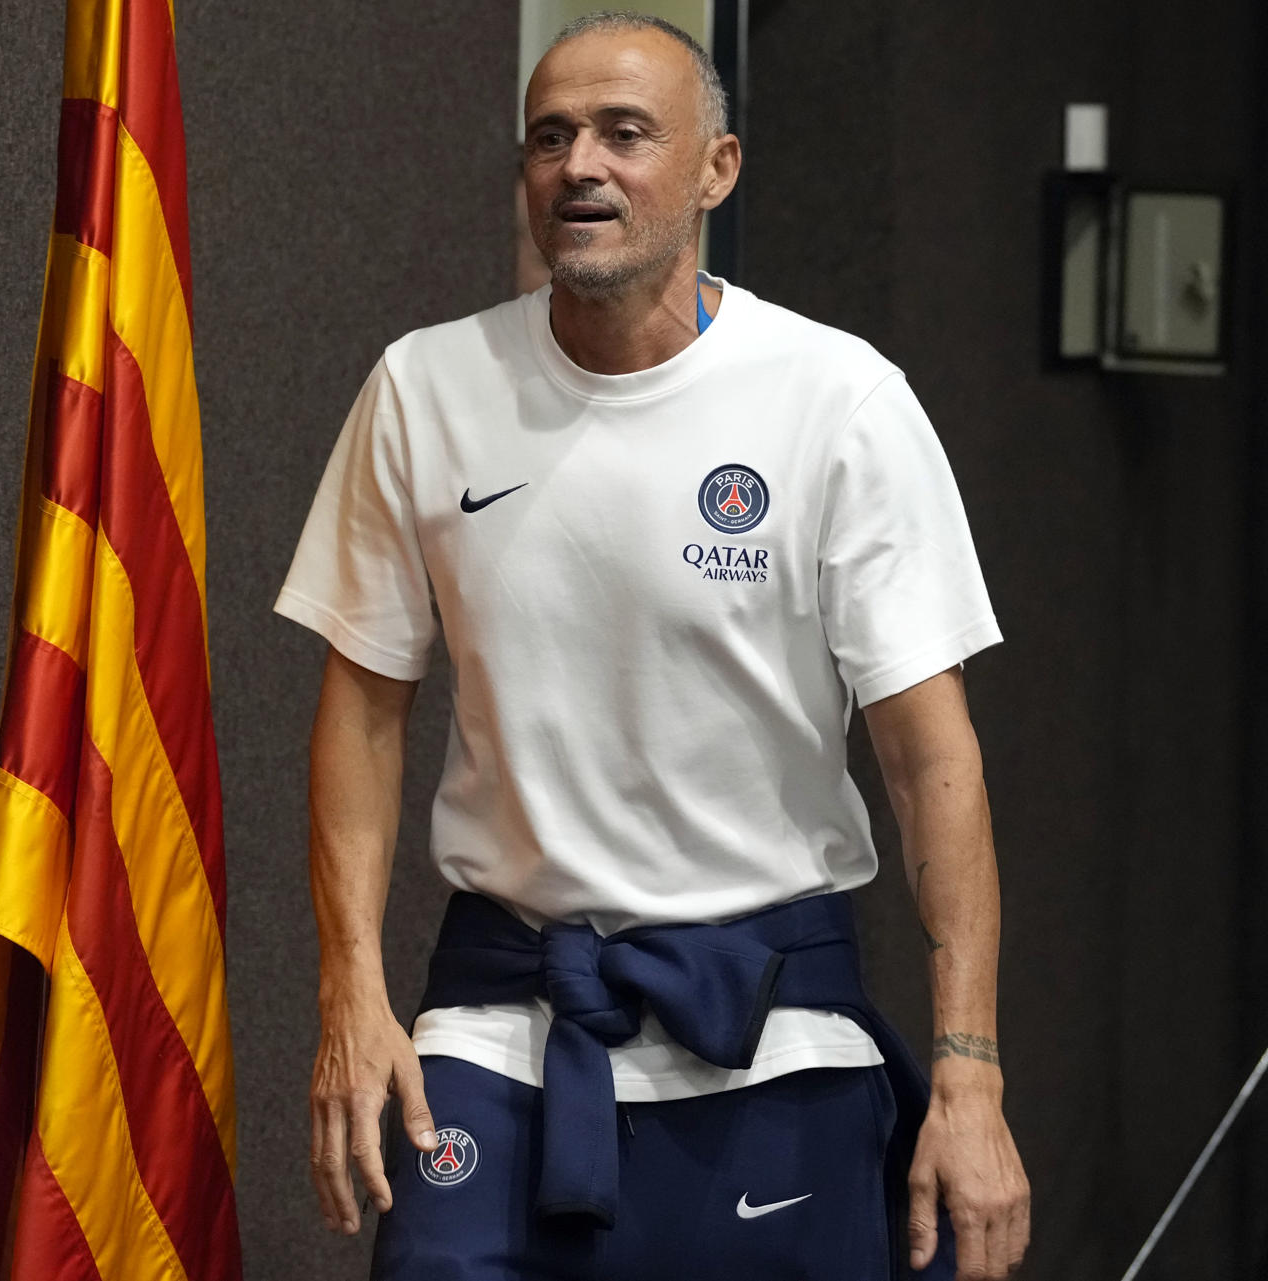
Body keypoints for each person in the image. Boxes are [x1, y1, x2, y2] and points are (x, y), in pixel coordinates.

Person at [274, 11, 1031, 1281]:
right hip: (499, 1021)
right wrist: (352, 994)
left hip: (771, 1028)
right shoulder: (423, 388)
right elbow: (362, 709)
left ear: (717, 169)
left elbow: (929, 764)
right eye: (551, 136)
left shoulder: (838, 399)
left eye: (627, 135)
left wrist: (968, 1076)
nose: (582, 165)